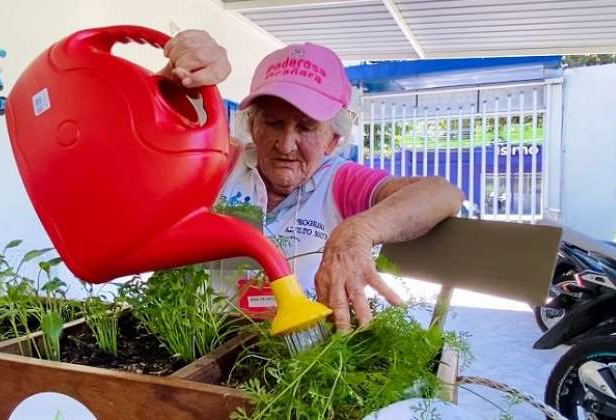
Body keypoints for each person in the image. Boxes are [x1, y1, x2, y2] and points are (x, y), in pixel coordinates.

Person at [160, 31, 463, 332]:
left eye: (306, 127)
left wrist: (357, 232)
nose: (286, 144)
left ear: (333, 138)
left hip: (304, 348)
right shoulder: (219, 163)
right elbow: (147, 150)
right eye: (274, 122)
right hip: (204, 338)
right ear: (252, 124)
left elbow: (442, 193)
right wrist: (171, 85)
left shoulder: (342, 181)